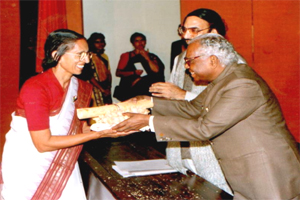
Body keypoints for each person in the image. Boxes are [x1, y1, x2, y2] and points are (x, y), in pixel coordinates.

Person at [113, 33, 300, 199]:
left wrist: (149, 122)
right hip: (247, 172)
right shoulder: (223, 80)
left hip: (268, 173)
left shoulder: (242, 83)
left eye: (190, 61)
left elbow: (205, 128)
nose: (187, 67)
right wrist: (151, 103)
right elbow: (194, 108)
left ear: (212, 60)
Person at [0, 29, 129, 200]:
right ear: (57, 55)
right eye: (80, 54)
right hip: (29, 166)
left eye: (88, 53)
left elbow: (81, 131)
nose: (87, 60)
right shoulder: (36, 88)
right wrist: (99, 134)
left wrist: (114, 126)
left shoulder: (81, 87)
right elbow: (43, 144)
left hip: (63, 162)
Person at [150, 8, 235, 194]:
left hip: (212, 154)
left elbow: (222, 108)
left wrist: (182, 95)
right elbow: (173, 102)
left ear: (214, 32)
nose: (187, 35)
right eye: (184, 29)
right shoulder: (180, 59)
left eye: (195, 30)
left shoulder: (231, 63)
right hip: (181, 150)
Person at [114, 32, 165, 101]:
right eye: (137, 41)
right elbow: (118, 73)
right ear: (132, 43)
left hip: (149, 90)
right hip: (132, 91)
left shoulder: (152, 56)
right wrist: (133, 73)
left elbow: (156, 70)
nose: (140, 43)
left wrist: (147, 58)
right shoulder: (127, 55)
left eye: (142, 40)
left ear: (145, 42)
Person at [77, 32, 112, 105]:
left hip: (105, 87)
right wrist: (102, 89)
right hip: (93, 88)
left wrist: (108, 88)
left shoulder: (104, 56)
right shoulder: (88, 57)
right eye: (97, 42)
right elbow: (89, 75)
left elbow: (108, 73)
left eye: (102, 42)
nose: (100, 44)